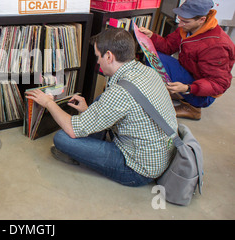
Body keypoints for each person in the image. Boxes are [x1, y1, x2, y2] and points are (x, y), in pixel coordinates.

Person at [25, 28, 177, 187]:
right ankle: (90, 131)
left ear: (109, 56)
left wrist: (48, 102)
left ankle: (82, 153)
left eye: (98, 56)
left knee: (62, 138)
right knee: (100, 100)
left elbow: (71, 128)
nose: (97, 62)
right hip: (161, 154)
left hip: (138, 170)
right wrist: (87, 111)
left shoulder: (120, 92)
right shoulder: (147, 71)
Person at [138, 0, 235, 120]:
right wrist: (152, 36)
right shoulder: (187, 28)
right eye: (180, 19)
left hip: (204, 94)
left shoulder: (216, 45)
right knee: (154, 57)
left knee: (159, 61)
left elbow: (219, 84)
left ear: (201, 20)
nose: (180, 25)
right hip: (191, 75)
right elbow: (168, 46)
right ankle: (180, 93)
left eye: (185, 21)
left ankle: (193, 108)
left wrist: (188, 88)